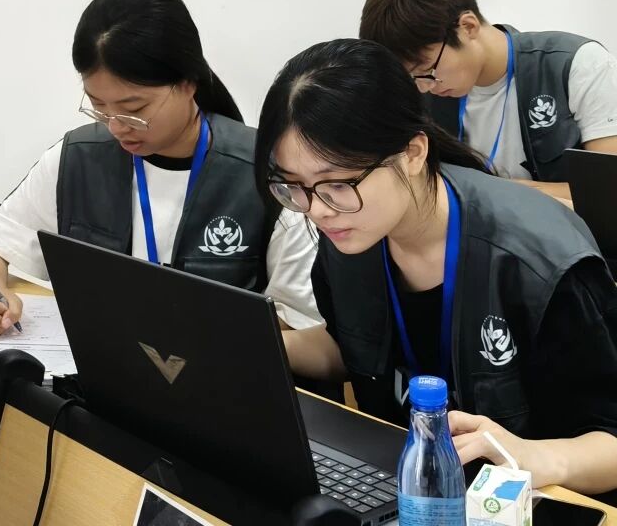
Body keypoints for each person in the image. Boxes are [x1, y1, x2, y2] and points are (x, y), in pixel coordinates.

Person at [261, 39, 617, 497]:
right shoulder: (352, 230)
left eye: (338, 183)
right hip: (405, 489)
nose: (317, 210)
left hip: (524, 503)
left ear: (412, 153)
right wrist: (256, 340)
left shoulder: (537, 261)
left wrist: (536, 458)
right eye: (293, 187)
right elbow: (351, 346)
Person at [0, 0, 322, 337]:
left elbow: (300, 323)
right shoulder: (77, 159)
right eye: (99, 107)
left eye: (134, 109)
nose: (116, 127)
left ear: (188, 83)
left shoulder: (267, 176)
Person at [359, 0, 617, 201]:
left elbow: (608, 192)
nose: (424, 87)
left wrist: (501, 194)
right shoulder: (424, 93)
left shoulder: (577, 65)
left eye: (427, 69)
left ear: (468, 27)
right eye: (412, 77)